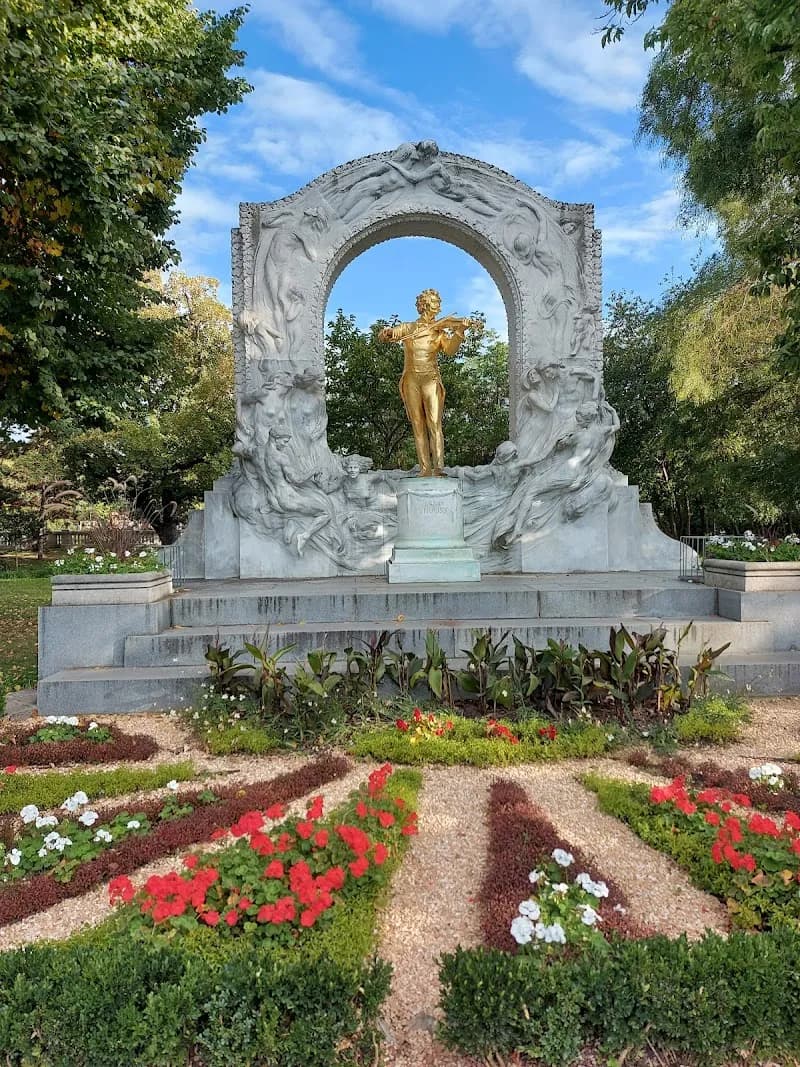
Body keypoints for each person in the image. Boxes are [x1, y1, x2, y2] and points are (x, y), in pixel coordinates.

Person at [379, 288, 481, 477]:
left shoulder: (439, 332)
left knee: (434, 423)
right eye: (435, 302)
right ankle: (425, 468)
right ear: (425, 305)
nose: (439, 307)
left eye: (438, 303)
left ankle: (439, 467)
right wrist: (386, 333)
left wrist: (459, 330)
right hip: (411, 380)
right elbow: (388, 335)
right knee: (417, 424)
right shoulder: (408, 328)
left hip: (430, 380)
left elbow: (450, 351)